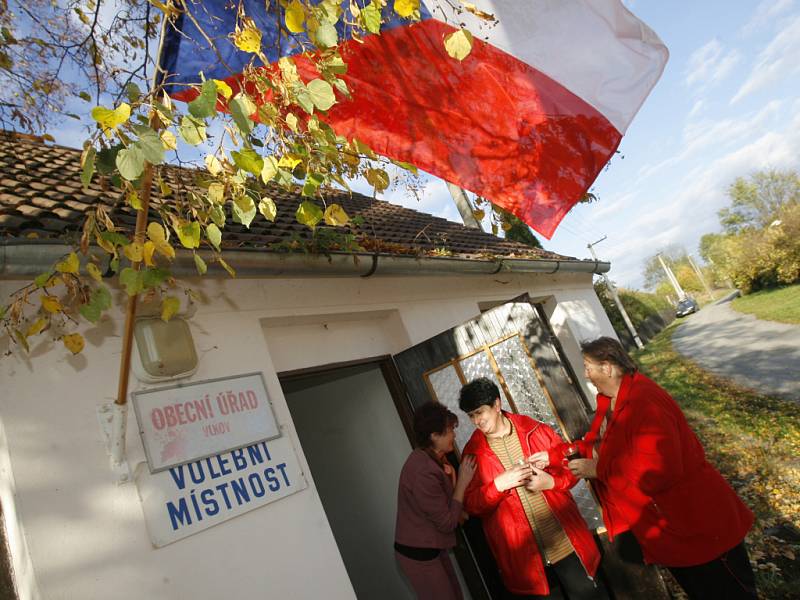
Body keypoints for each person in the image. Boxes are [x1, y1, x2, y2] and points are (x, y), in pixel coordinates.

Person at [532, 336, 756, 599]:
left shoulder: (644, 402)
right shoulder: (611, 402)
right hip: (673, 532)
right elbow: (599, 446)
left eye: (588, 367)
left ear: (607, 367)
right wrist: (554, 456)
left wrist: (599, 469)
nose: (586, 374)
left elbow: (659, 469)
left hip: (698, 525)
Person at [459, 378, 608, 599]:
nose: (477, 421)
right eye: (471, 416)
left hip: (567, 545)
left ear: (497, 405)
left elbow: (572, 468)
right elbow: (472, 505)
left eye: (480, 412)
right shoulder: (472, 453)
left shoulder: (535, 429)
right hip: (525, 562)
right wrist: (499, 485)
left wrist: (551, 482)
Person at [394, 401, 477, 600]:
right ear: (434, 436)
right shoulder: (422, 471)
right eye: (449, 431)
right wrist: (463, 482)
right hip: (417, 554)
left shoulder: (436, 457)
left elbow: (446, 502)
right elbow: (447, 522)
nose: (454, 435)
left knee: (456, 595)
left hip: (432, 547)